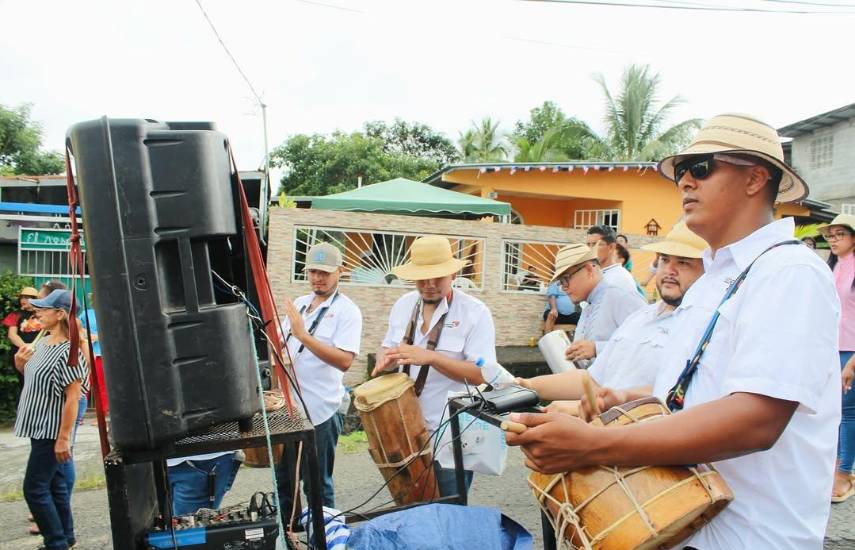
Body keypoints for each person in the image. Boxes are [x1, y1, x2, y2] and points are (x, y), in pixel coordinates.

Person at [507, 113, 840, 550]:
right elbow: (699, 388)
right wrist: (620, 400)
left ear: (756, 178)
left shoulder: (790, 272)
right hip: (681, 521)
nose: (685, 181)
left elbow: (756, 419)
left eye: (700, 168)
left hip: (747, 537)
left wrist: (596, 444)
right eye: (681, 171)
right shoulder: (717, 280)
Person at [523, 221, 706, 415]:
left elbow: (677, 393)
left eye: (684, 262)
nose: (670, 270)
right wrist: (526, 384)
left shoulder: (702, 326)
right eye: (664, 260)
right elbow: (595, 379)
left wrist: (598, 404)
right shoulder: (640, 318)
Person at [372, 235, 496, 498]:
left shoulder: (475, 312)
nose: (428, 285)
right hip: (405, 431)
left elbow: (481, 374)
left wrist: (432, 358)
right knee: (412, 510)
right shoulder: (403, 304)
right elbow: (387, 347)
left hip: (452, 435)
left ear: (452, 273)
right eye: (421, 278)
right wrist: (385, 358)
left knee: (451, 514)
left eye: (436, 277)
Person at [276, 242, 362, 519]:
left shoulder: (348, 311)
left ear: (340, 272)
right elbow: (279, 343)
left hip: (322, 409)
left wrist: (304, 337)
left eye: (324, 272)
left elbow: (345, 361)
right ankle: (290, 536)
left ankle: (326, 538)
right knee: (285, 482)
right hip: (290, 410)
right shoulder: (299, 303)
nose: (318, 278)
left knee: (317, 484)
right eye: (313, 271)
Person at [14, 289, 88, 550]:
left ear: (60, 314)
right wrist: (21, 365)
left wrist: (64, 438)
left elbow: (73, 398)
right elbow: (37, 382)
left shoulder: (69, 351)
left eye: (44, 308)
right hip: (38, 426)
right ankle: (66, 540)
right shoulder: (43, 343)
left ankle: (55, 543)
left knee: (34, 489)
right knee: (55, 487)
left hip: (50, 430)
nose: (38, 312)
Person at [554, 243, 646, 369]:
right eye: (560, 282)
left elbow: (647, 344)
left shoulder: (620, 297)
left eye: (565, 279)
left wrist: (597, 348)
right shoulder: (589, 305)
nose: (563, 287)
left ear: (589, 270)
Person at [818, 213, 855, 502]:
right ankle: (833, 467)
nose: (833, 240)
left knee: (848, 411)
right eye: (830, 235)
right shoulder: (831, 267)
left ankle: (844, 472)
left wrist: (853, 363)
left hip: (852, 349)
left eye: (840, 234)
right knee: (833, 410)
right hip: (832, 346)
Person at [3, 287, 43, 396]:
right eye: (22, 297)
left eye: (27, 298)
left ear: (35, 299)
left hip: (41, 354)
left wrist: (37, 348)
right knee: (24, 384)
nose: (23, 300)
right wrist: (28, 348)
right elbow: (12, 335)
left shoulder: (43, 314)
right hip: (22, 355)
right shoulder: (15, 315)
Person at [586, 225, 642, 296]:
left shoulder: (619, 279)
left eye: (595, 244)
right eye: (588, 245)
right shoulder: (595, 274)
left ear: (611, 247)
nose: (590, 249)